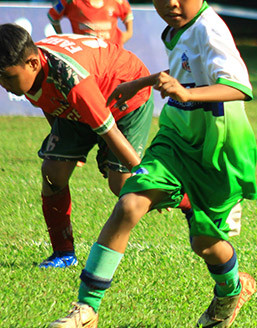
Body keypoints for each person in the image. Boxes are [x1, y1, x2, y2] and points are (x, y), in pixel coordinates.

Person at [47, 0, 257, 328]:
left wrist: (187, 92)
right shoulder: (178, 29)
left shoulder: (210, 30)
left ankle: (232, 288)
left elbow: (239, 86)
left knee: (205, 243)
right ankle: (86, 310)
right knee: (129, 204)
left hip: (218, 150)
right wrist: (138, 83)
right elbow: (177, 75)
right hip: (176, 139)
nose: (171, 2)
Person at [0, 24, 152, 268]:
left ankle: (187, 201)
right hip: (83, 103)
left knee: (124, 185)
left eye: (6, 77)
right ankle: (63, 254)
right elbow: (51, 106)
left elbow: (108, 128)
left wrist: (142, 172)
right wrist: (65, 151)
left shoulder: (70, 79)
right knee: (53, 172)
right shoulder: (28, 71)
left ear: (33, 63)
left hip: (125, 94)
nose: (3, 84)